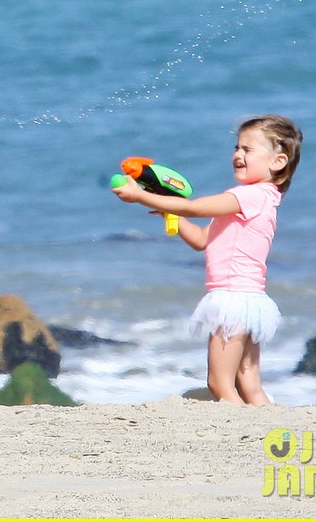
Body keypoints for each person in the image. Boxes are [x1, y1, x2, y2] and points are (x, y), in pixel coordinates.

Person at [112, 115, 303, 405]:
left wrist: (141, 196)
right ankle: (271, 433)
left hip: (232, 300)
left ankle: (246, 436)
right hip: (250, 300)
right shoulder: (261, 198)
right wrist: (170, 214)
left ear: (277, 162)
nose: (237, 155)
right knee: (248, 382)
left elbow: (194, 207)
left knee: (220, 383)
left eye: (247, 150)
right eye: (237, 147)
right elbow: (202, 240)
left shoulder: (248, 196)